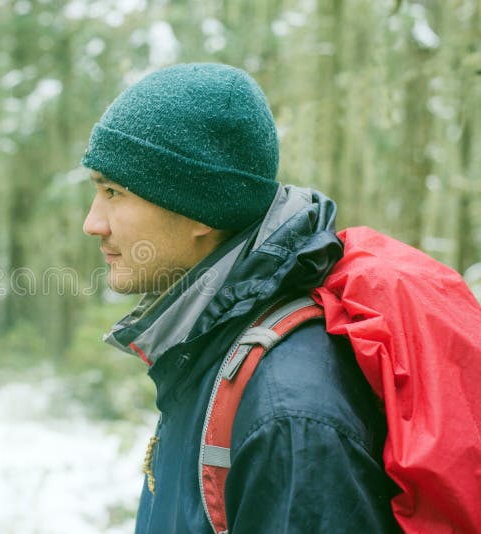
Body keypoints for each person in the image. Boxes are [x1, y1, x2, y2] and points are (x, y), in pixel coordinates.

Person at [81, 63, 400, 533]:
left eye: (114, 192)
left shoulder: (289, 417)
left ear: (201, 209)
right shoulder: (208, 347)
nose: (93, 222)